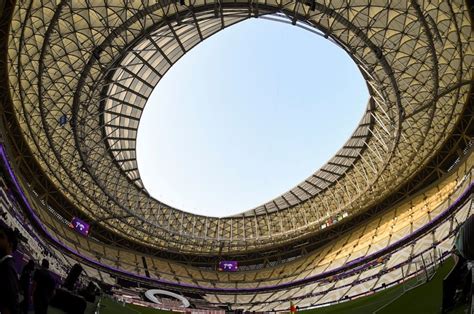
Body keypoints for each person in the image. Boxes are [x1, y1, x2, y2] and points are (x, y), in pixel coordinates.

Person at [0, 225, 20, 314]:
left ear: (10, 244)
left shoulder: (8, 268)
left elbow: (9, 307)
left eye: (1, 237)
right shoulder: (5, 264)